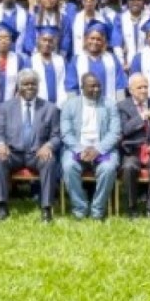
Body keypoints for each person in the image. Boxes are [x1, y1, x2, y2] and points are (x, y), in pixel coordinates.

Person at [0, 69, 61, 221]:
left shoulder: (50, 109)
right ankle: (2, 207)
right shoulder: (6, 108)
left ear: (38, 86)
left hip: (37, 153)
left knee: (49, 161)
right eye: (25, 84)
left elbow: (57, 136)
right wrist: (1, 144)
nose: (29, 87)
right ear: (19, 86)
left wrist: (48, 146)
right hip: (13, 153)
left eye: (33, 84)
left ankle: (46, 208)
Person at [59, 71, 120, 220]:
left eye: (99, 86)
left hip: (103, 149)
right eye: (92, 86)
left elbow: (115, 133)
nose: (96, 90)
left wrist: (98, 150)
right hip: (77, 149)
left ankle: (97, 210)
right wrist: (80, 150)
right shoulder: (69, 105)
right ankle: (80, 208)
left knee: (108, 168)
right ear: (82, 87)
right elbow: (66, 133)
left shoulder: (109, 104)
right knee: (68, 167)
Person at [118, 73, 150, 218]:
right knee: (128, 168)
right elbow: (124, 130)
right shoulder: (122, 106)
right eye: (139, 87)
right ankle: (131, 208)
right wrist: (143, 115)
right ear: (131, 90)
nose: (144, 90)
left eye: (146, 87)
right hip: (132, 150)